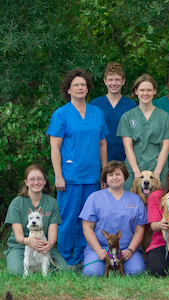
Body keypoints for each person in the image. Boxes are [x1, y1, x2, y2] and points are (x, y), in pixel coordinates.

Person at [46, 68, 109, 267]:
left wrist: (105, 174)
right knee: (68, 218)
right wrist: (58, 176)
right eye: (76, 85)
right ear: (69, 90)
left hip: (92, 176)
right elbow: (55, 147)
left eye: (83, 85)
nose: (80, 88)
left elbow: (102, 144)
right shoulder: (61, 114)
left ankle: (84, 257)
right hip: (70, 176)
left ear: (88, 89)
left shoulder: (96, 112)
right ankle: (66, 257)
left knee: (89, 219)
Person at [79, 161, 147, 276]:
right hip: (101, 248)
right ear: (106, 178)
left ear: (125, 176)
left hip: (125, 249)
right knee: (91, 273)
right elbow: (87, 227)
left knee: (136, 272)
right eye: (110, 175)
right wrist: (98, 250)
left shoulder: (135, 199)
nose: (114, 178)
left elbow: (140, 229)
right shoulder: (94, 198)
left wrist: (130, 250)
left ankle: (125, 263)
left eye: (118, 174)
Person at [4, 164, 68, 275]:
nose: (36, 182)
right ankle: (15, 259)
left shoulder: (52, 203)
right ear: (26, 182)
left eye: (39, 179)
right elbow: (18, 235)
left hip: (44, 244)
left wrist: (49, 244)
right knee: (16, 272)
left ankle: (44, 268)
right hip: (21, 245)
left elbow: (53, 231)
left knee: (64, 271)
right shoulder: (17, 203)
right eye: (32, 179)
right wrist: (27, 241)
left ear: (44, 181)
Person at [117, 74, 169, 190]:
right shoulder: (127, 117)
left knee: (157, 203)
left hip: (158, 168)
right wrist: (137, 172)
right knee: (132, 203)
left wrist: (157, 173)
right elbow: (128, 148)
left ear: (154, 92)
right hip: (134, 168)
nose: (145, 93)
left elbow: (165, 148)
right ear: (136, 91)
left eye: (149, 90)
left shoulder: (164, 117)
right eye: (142, 90)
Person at [90, 62, 137, 162]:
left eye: (117, 79)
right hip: (99, 158)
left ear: (123, 81)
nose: (114, 83)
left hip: (125, 158)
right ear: (105, 81)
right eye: (110, 80)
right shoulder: (95, 105)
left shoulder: (131, 106)